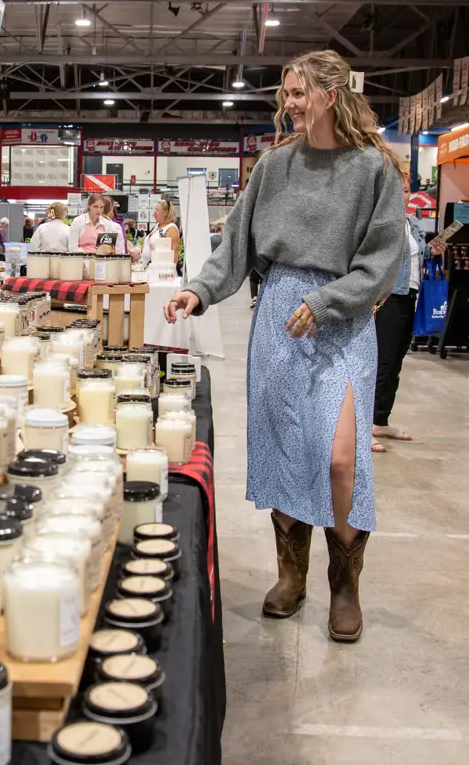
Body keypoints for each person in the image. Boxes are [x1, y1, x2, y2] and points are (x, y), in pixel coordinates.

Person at [164, 49, 405, 643]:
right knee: (286, 446)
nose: (288, 103)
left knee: (340, 459)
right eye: (285, 94)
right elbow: (236, 247)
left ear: (331, 93)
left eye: (298, 92)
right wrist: (200, 290)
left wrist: (325, 304)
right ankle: (290, 575)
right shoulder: (273, 167)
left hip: (342, 320)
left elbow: (381, 264)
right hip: (278, 316)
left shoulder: (374, 169)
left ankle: (344, 582)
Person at [370, 172, 446, 452]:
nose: (403, 195)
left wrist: (433, 251)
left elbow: (418, 257)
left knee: (397, 363)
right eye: (398, 190)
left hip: (410, 296)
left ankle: (381, 421)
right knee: (382, 363)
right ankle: (365, 427)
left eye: (406, 190)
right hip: (388, 297)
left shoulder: (411, 223)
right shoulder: (380, 223)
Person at [141, 197, 181, 269]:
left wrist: (169, 273)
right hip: (148, 268)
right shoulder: (157, 226)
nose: (155, 212)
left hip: (161, 272)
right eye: (155, 209)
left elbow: (174, 254)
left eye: (158, 210)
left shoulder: (171, 228)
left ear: (165, 212)